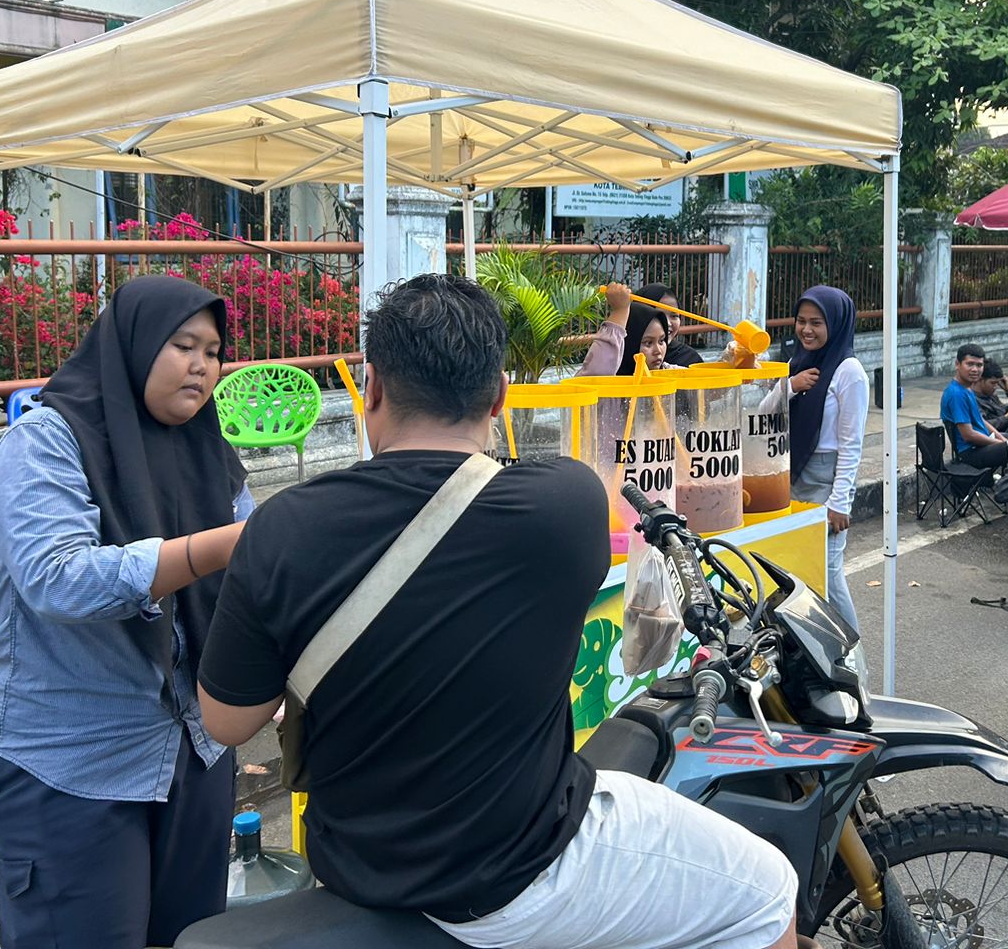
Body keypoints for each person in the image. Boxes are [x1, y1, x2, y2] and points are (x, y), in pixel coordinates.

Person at [196, 274, 799, 949]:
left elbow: (226, 720)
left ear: (370, 387)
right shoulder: (561, 506)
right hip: (520, 874)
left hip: (356, 865)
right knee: (768, 893)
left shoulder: (281, 528)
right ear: (500, 396)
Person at [0, 276, 254, 949]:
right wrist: (215, 549)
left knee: (189, 938)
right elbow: (57, 577)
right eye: (183, 344)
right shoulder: (47, 444)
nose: (201, 365)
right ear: (130, 345)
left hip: (195, 749)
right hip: (74, 762)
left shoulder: (210, 455)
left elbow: (257, 574)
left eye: (214, 352)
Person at [785, 286, 868, 638]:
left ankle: (851, 649)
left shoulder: (851, 373)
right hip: (791, 476)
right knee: (796, 568)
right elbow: (765, 415)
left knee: (830, 573)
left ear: (835, 324)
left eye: (816, 323)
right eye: (801, 321)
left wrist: (840, 502)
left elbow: (851, 445)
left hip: (825, 478)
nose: (806, 330)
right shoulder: (797, 362)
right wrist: (791, 385)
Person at [578, 282, 678, 375]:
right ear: (627, 343)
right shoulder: (606, 383)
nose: (658, 351)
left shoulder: (669, 373)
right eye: (648, 343)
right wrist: (620, 311)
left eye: (661, 341)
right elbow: (597, 373)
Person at [941, 343, 1008, 471]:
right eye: (970, 364)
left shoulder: (967, 388)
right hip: (972, 453)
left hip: (984, 443)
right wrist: (1002, 444)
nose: (975, 369)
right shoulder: (957, 394)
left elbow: (981, 420)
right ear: (957, 364)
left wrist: (1002, 438)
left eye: (979, 365)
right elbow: (969, 435)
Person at [637, 281, 705, 367]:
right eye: (660, 315)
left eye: (674, 316)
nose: (667, 323)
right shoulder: (619, 354)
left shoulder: (690, 359)